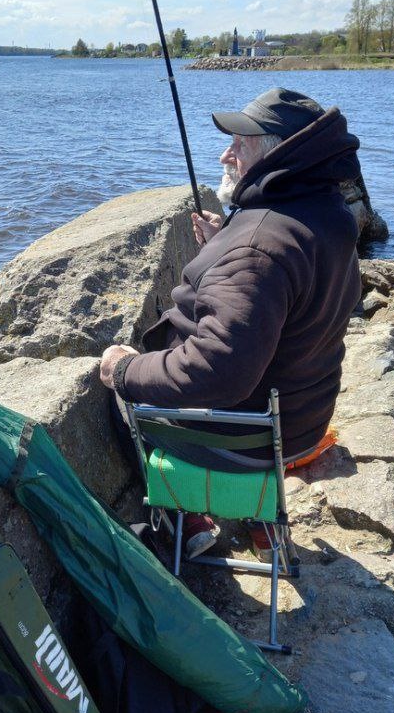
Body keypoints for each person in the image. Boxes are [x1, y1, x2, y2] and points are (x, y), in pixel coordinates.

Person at [99, 87, 362, 557]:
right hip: (301, 422)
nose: (226, 155)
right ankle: (264, 523)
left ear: (278, 154)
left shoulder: (257, 249)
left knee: (121, 394)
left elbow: (217, 372)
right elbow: (285, 283)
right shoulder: (328, 214)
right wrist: (226, 239)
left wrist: (124, 369)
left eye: (240, 144)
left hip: (249, 441)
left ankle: (187, 519)